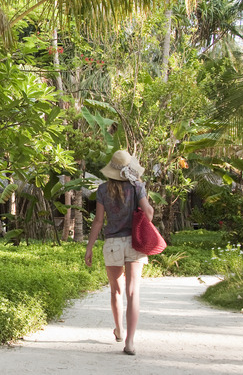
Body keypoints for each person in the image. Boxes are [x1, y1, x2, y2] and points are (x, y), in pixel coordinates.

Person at [84, 150, 153, 356]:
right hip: (134, 242)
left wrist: (89, 248)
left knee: (116, 291)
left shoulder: (103, 190)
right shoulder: (137, 187)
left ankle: (119, 330)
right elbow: (148, 214)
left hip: (112, 243)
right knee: (133, 292)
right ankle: (130, 342)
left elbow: (98, 221)